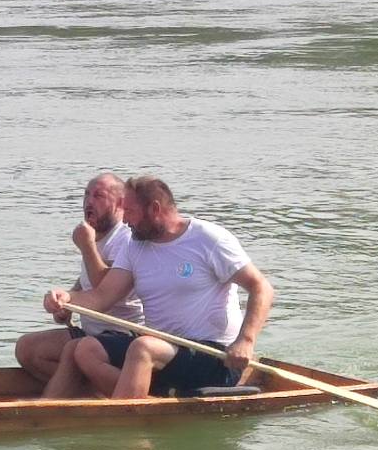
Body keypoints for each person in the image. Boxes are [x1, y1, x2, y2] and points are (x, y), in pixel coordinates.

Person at [43, 175, 274, 399]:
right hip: (165, 350)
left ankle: (126, 421)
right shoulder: (135, 246)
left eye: (130, 212)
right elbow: (102, 297)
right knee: (85, 348)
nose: (125, 221)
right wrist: (66, 298)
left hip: (215, 356)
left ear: (154, 209)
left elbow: (261, 287)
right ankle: (138, 395)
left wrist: (246, 341)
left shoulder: (209, 239)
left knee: (143, 347)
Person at [14, 171, 145, 398]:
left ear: (120, 203)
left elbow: (103, 288)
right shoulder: (94, 237)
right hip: (89, 332)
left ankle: (54, 405)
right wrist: (65, 302)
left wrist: (86, 246)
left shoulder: (125, 238)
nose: (89, 202)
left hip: (121, 336)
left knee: (74, 352)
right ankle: (91, 391)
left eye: (98, 196)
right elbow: (83, 285)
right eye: (86, 195)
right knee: (27, 349)